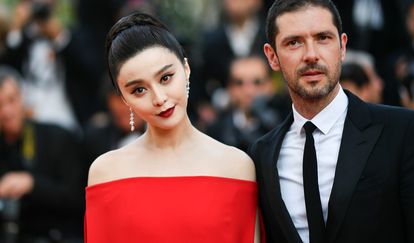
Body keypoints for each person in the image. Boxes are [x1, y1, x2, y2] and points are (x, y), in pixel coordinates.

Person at [248, 0, 414, 243]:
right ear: (272, 57)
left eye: (323, 38)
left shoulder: (404, 132)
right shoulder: (262, 154)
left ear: (342, 47)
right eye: (294, 43)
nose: (311, 55)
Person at [85, 12, 261, 243]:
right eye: (139, 90)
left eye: (166, 78)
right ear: (124, 99)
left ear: (186, 69)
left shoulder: (237, 166)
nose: (159, 98)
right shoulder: (105, 172)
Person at [0, 66, 85, 243]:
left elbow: (77, 198)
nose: (7, 112)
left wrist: (32, 184)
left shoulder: (58, 137)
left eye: (11, 100)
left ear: (23, 98)